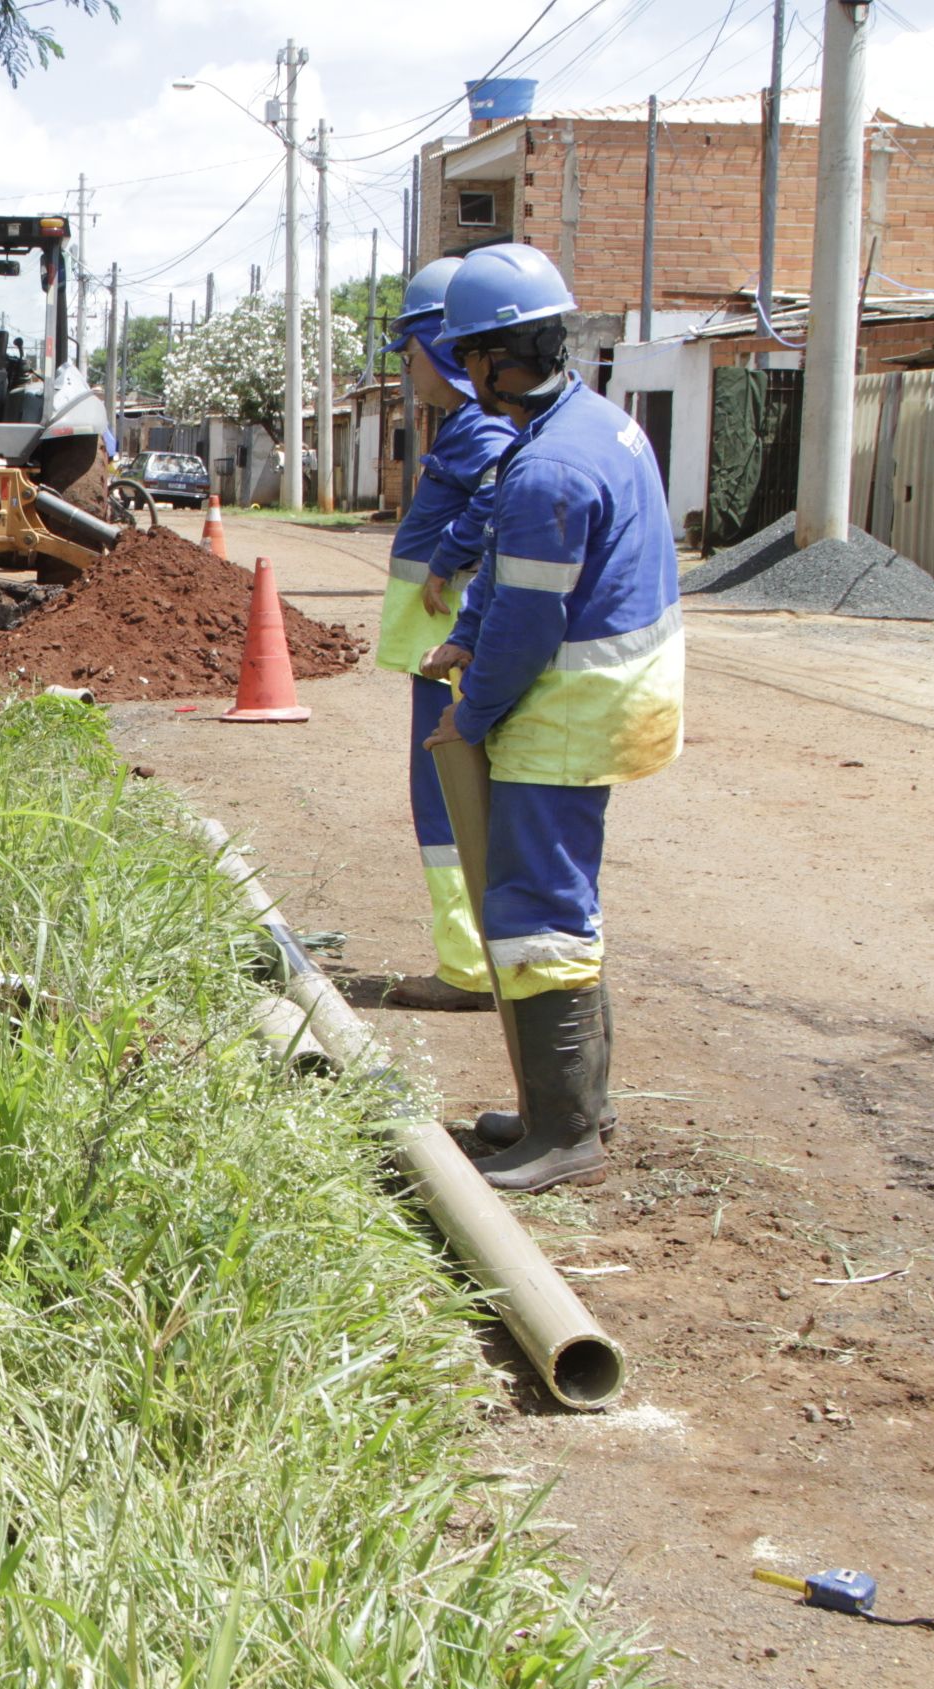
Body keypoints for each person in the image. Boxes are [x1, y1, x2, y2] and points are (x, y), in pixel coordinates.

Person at [418, 242, 683, 1194]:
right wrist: (466, 636)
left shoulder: (548, 468)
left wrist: (472, 714)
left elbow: (534, 617)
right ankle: (567, 1107)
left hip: (572, 708)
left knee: (537, 907)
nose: (461, 373)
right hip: (607, 692)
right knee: (559, 898)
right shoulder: (590, 427)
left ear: (492, 358)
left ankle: (566, 1133)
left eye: (465, 357)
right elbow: (512, 571)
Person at [375, 256, 513, 1013]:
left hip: (449, 654)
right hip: (443, 652)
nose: (404, 367)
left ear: (443, 346)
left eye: (408, 350)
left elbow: (500, 493)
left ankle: (467, 967)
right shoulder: (473, 422)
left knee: (446, 806)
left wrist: (453, 550)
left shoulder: (483, 426)